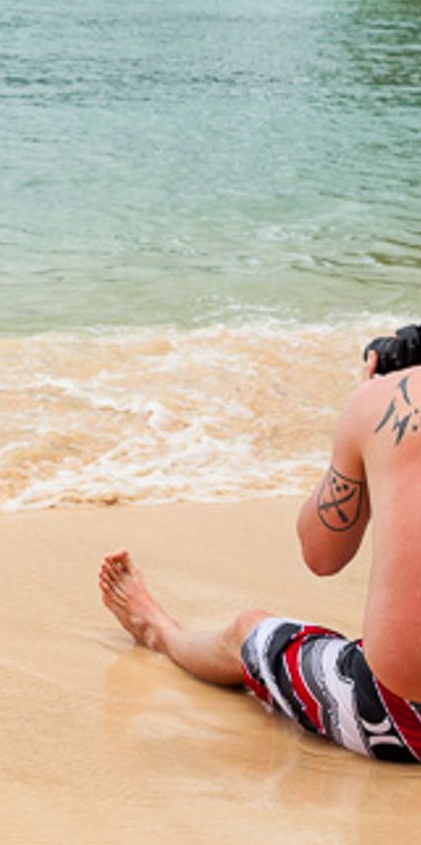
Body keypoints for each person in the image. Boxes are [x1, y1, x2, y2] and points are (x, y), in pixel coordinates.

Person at [99, 322, 421, 762]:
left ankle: (161, 632)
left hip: (406, 719)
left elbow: (322, 554)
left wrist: (360, 426)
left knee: (250, 630)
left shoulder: (382, 403)